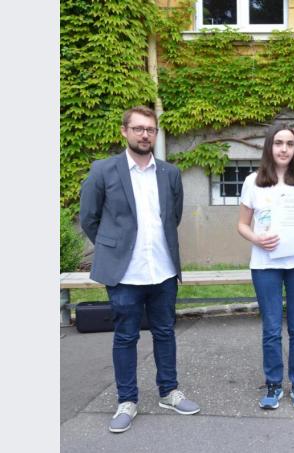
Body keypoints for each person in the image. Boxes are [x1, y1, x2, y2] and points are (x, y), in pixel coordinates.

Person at [79, 106, 200, 433]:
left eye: (150, 129)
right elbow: (89, 218)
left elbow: (173, 217)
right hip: (124, 274)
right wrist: (114, 248)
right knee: (125, 336)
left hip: (163, 270)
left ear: (155, 133)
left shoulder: (170, 173)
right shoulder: (103, 170)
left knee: (165, 332)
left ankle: (169, 392)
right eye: (138, 128)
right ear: (124, 131)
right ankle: (127, 401)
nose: (144, 134)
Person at [237, 124, 294, 410]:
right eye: (278, 143)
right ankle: (273, 384)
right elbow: (242, 225)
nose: (284, 149)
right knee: (272, 328)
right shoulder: (253, 181)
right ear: (269, 147)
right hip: (265, 264)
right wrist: (257, 239)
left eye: (290, 144)